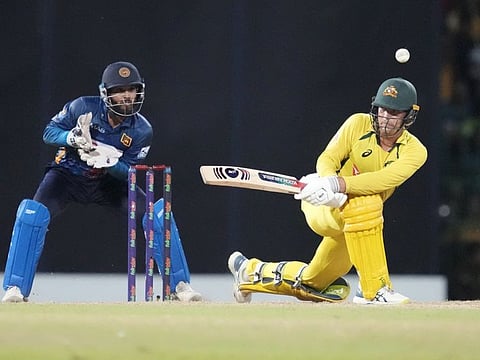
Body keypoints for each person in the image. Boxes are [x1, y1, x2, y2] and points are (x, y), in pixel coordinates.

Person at [2, 61, 202, 303]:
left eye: (132, 89)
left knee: (157, 215)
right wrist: (71, 137)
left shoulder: (142, 130)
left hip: (109, 183)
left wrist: (108, 162)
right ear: (106, 93)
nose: (127, 96)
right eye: (120, 90)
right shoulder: (82, 107)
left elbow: (129, 171)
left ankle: (179, 286)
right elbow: (49, 132)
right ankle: (14, 289)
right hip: (67, 175)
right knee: (32, 215)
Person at [228, 77, 427, 304]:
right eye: (382, 110)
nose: (385, 118)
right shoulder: (357, 123)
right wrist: (326, 181)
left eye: (393, 113)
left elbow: (382, 180)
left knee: (314, 282)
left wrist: (338, 185)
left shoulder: (415, 151)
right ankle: (374, 289)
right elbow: (328, 157)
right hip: (322, 204)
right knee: (367, 203)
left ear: (408, 116)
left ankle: (249, 271)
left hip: (358, 225)